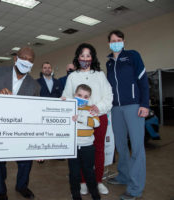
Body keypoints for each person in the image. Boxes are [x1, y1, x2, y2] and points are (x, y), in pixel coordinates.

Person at [0, 47, 40, 200]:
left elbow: (35, 112)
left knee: (26, 161)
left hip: (21, 130)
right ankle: (1, 191)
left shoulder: (34, 86)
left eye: (30, 60)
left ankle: (22, 186)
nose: (26, 62)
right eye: (23, 58)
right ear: (15, 59)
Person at [62, 43, 113, 195]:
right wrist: (63, 103)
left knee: (98, 150)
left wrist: (98, 107)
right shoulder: (72, 76)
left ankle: (97, 181)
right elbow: (67, 96)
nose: (85, 58)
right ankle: (83, 182)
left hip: (98, 117)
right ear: (78, 57)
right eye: (82, 55)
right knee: (81, 151)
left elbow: (108, 95)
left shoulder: (99, 75)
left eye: (88, 55)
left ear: (92, 58)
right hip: (79, 120)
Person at [105, 30, 149, 200]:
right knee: (121, 145)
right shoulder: (109, 63)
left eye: (119, 39)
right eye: (113, 40)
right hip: (116, 109)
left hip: (134, 106)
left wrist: (145, 104)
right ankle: (123, 175)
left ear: (123, 41)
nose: (116, 42)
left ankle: (135, 188)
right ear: (109, 43)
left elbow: (142, 80)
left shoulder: (132, 56)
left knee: (137, 148)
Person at [67, 84, 101, 200]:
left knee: (89, 173)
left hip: (88, 147)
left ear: (89, 98)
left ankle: (95, 194)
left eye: (86, 96)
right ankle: (75, 194)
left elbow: (96, 123)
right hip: (73, 147)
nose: (82, 98)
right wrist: (62, 102)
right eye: (79, 95)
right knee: (74, 173)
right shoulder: (69, 107)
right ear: (74, 95)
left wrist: (80, 118)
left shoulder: (91, 109)